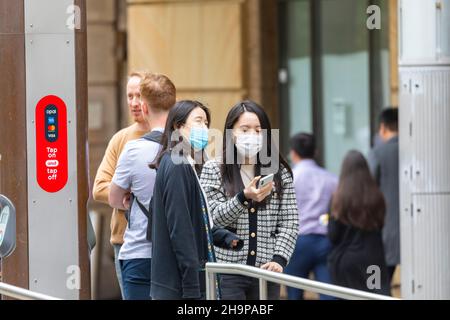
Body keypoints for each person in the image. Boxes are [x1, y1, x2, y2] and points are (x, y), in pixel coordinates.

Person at [200, 100, 298, 300]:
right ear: (231, 132)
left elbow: (289, 220)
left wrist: (279, 259)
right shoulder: (214, 169)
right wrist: (243, 198)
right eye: (244, 130)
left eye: (258, 130)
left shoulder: (279, 173)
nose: (252, 136)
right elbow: (212, 220)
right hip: (227, 272)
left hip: (266, 271)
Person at [150, 100, 242, 300]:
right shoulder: (177, 164)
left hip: (178, 284)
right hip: (180, 287)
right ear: (178, 126)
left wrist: (224, 237)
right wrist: (192, 286)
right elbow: (179, 228)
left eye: (207, 123)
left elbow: (194, 219)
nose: (205, 128)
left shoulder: (183, 162)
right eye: (198, 121)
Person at [108, 73, 176, 300]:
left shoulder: (133, 149)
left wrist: (129, 199)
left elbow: (113, 198)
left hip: (139, 253)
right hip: (176, 254)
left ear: (144, 108)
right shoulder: (188, 150)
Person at [92, 71, 149, 297]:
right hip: (124, 241)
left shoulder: (171, 137)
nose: (134, 103)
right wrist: (129, 195)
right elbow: (99, 188)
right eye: (129, 96)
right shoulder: (121, 139)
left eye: (139, 96)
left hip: (161, 242)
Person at [327, 150, 390, 295]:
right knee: (375, 296)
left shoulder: (337, 200)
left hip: (346, 263)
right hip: (372, 261)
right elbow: (381, 225)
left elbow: (333, 236)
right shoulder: (377, 196)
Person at [284, 133, 338, 300]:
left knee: (294, 294)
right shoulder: (331, 179)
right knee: (329, 293)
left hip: (297, 242)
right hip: (324, 241)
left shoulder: (288, 179)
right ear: (315, 152)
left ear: (293, 153)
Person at [367, 107, 399, 287]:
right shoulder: (422, 151)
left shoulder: (378, 153)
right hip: (420, 232)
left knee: (377, 287)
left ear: (383, 128)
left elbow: (369, 191)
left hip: (384, 234)